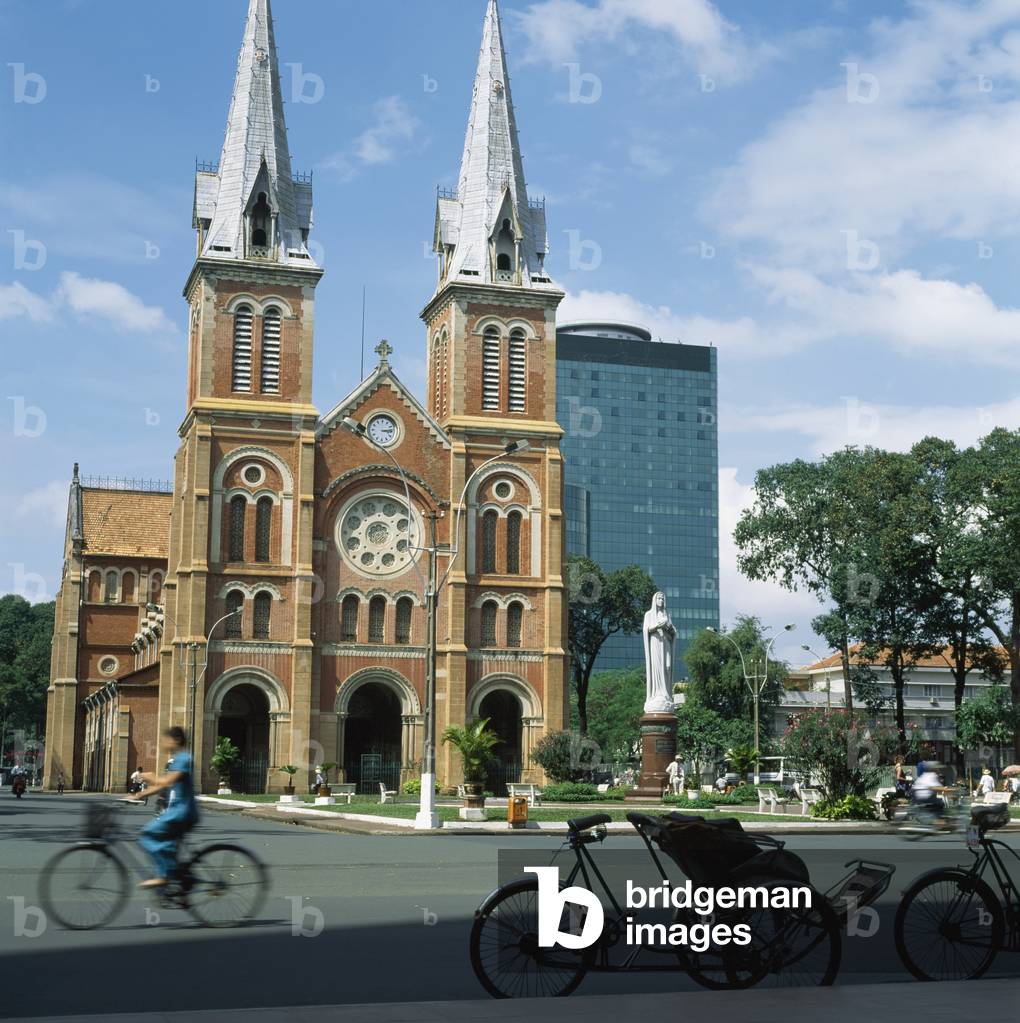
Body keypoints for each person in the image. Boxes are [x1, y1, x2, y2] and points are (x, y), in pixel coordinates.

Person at [133, 727, 199, 889]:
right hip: (177, 811)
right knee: (166, 844)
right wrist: (139, 795)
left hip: (182, 812)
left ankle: (163, 876)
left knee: (147, 835)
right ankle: (175, 876)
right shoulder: (177, 760)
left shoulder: (184, 758)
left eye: (165, 739)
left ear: (176, 740)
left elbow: (167, 781)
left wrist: (151, 777)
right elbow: (165, 785)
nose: (162, 743)